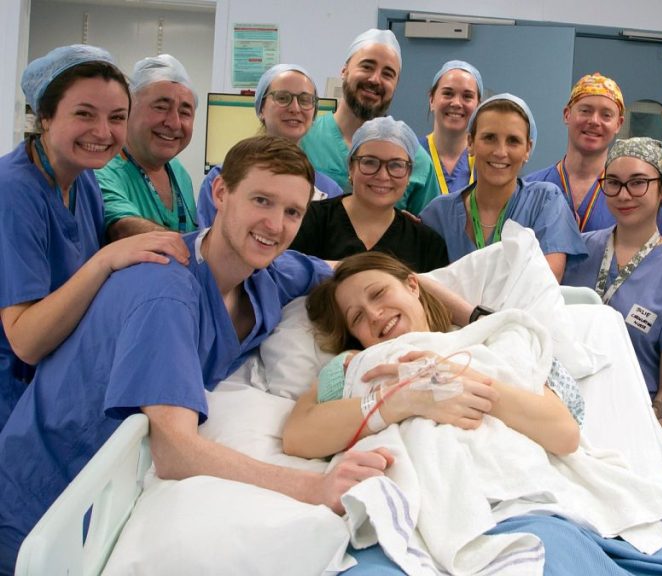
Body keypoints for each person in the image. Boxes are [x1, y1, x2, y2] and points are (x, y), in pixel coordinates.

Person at [0, 136, 391, 575]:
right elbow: (176, 451)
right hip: (45, 498)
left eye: (292, 212)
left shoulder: (266, 275)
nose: (275, 225)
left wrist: (456, 311)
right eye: (261, 200)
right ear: (221, 193)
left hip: (117, 495)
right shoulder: (166, 290)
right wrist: (316, 488)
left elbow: (349, 271)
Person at [283, 251, 662, 576]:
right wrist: (401, 399)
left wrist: (455, 379)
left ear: (413, 286)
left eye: (379, 294)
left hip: (514, 506)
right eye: (357, 316)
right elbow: (300, 436)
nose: (375, 314)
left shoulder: (492, 340)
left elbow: (563, 434)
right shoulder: (350, 367)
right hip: (406, 517)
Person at [0, 45, 188, 432]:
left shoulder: (84, 181)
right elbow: (26, 341)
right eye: (84, 114)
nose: (103, 133)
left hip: (49, 383)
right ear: (45, 117)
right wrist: (106, 260)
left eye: (117, 117)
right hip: (12, 391)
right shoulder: (14, 192)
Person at [561, 137, 662, 477]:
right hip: (570, 427)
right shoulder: (579, 252)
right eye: (613, 183)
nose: (624, 195)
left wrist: (642, 440)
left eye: (638, 183)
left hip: (639, 436)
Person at [420, 93, 586, 281]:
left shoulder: (544, 202)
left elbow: (545, 281)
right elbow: (424, 288)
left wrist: (458, 277)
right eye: (489, 138)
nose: (500, 152)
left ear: (527, 149)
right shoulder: (439, 213)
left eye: (513, 141)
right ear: (470, 143)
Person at [300, 28, 440, 214]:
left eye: (388, 74)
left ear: (396, 85)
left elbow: (426, 233)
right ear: (344, 70)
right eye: (367, 66)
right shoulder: (304, 140)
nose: (375, 79)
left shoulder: (416, 158)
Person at [526, 72, 662, 237]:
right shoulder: (530, 188)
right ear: (567, 115)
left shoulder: (635, 194)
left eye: (606, 115)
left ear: (618, 124)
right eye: (585, 111)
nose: (594, 121)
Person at [290, 116, 448, 272]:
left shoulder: (427, 245)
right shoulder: (308, 221)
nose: (383, 176)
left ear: (409, 174)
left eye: (396, 165)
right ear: (351, 167)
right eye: (370, 162)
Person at [195, 63, 343, 227]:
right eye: (282, 98)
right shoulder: (224, 177)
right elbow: (208, 245)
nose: (295, 108)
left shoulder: (330, 191)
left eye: (305, 100)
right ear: (261, 109)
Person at [95, 54, 198, 239]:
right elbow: (123, 229)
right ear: (128, 109)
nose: (174, 123)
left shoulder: (178, 172)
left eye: (185, 112)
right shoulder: (102, 169)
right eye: (160, 107)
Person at [419, 60, 482, 195]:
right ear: (431, 100)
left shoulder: (486, 160)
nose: (456, 103)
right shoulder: (411, 155)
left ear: (478, 106)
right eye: (448, 93)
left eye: (467, 96)